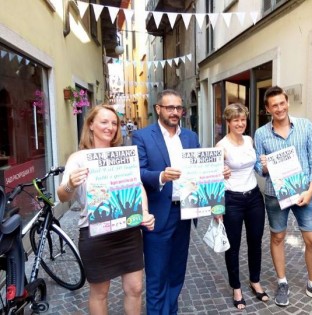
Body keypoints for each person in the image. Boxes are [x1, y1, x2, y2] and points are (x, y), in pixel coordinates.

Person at [132, 89, 230, 314]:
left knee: (177, 272)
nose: (175, 112)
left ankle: (171, 311)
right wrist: (161, 176)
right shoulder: (143, 136)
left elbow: (199, 171)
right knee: (157, 275)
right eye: (170, 107)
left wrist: (217, 174)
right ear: (158, 109)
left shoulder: (190, 137)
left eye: (178, 108)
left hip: (185, 214)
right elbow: (138, 171)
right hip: (157, 214)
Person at [57, 104, 155, 314]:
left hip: (128, 231)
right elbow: (62, 196)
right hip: (95, 233)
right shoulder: (79, 158)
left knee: (135, 288)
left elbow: (138, 187)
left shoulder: (123, 155)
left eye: (114, 123)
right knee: (100, 292)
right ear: (91, 125)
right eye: (104, 122)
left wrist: (144, 212)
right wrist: (70, 184)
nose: (110, 127)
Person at [254, 86, 312, 308]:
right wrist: (263, 166)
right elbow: (257, 165)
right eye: (274, 105)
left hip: (304, 192)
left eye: (282, 103)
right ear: (267, 109)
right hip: (275, 194)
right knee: (278, 238)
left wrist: (311, 191)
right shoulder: (261, 134)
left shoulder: (305, 126)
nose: (279, 108)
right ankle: (282, 282)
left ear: (287, 102)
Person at [215, 103, 268, 310]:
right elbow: (215, 176)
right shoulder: (221, 146)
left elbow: (255, 167)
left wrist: (264, 165)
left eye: (243, 119)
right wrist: (217, 206)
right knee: (234, 245)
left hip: (254, 197)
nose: (240, 123)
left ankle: (255, 281)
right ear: (228, 122)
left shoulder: (249, 140)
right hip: (232, 199)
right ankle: (236, 287)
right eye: (235, 120)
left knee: (255, 241)